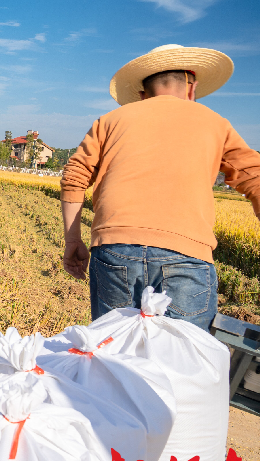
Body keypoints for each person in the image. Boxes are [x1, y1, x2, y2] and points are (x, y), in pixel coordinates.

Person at [60, 44, 260, 330]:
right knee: (182, 361)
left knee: (114, 357)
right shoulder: (216, 124)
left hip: (115, 250)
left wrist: (73, 242)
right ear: (192, 89)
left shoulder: (109, 121)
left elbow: (74, 177)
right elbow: (254, 177)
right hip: (187, 253)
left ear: (142, 95)